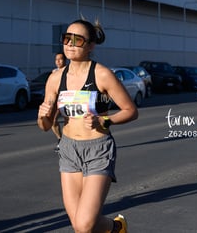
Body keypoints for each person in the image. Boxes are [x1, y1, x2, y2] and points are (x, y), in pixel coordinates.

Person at [37, 18, 138, 233]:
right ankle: (115, 229)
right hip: (68, 150)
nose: (70, 44)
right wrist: (43, 116)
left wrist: (104, 120)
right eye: (67, 38)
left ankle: (116, 227)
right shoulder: (55, 78)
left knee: (84, 225)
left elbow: (131, 111)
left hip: (98, 150)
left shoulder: (102, 74)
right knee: (79, 226)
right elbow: (46, 125)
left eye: (78, 39)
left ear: (91, 45)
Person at [51, 52, 67, 152]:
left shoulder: (70, 70)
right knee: (53, 120)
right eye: (56, 59)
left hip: (68, 99)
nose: (58, 61)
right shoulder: (54, 72)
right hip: (57, 100)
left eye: (60, 59)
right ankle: (60, 140)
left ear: (65, 60)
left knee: (69, 121)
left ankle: (68, 142)